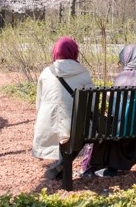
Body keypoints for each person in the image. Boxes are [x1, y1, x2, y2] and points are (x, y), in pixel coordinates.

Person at [82, 45, 136, 178]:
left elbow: (116, 109)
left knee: (106, 124)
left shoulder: (124, 78)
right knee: (129, 121)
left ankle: (106, 166)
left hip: (126, 127)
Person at [32, 36, 93, 180]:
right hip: (77, 128)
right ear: (74, 52)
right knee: (83, 128)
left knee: (63, 124)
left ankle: (61, 165)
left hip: (48, 123)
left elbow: (38, 103)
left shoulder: (46, 72)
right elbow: (91, 101)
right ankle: (63, 164)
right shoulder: (83, 72)